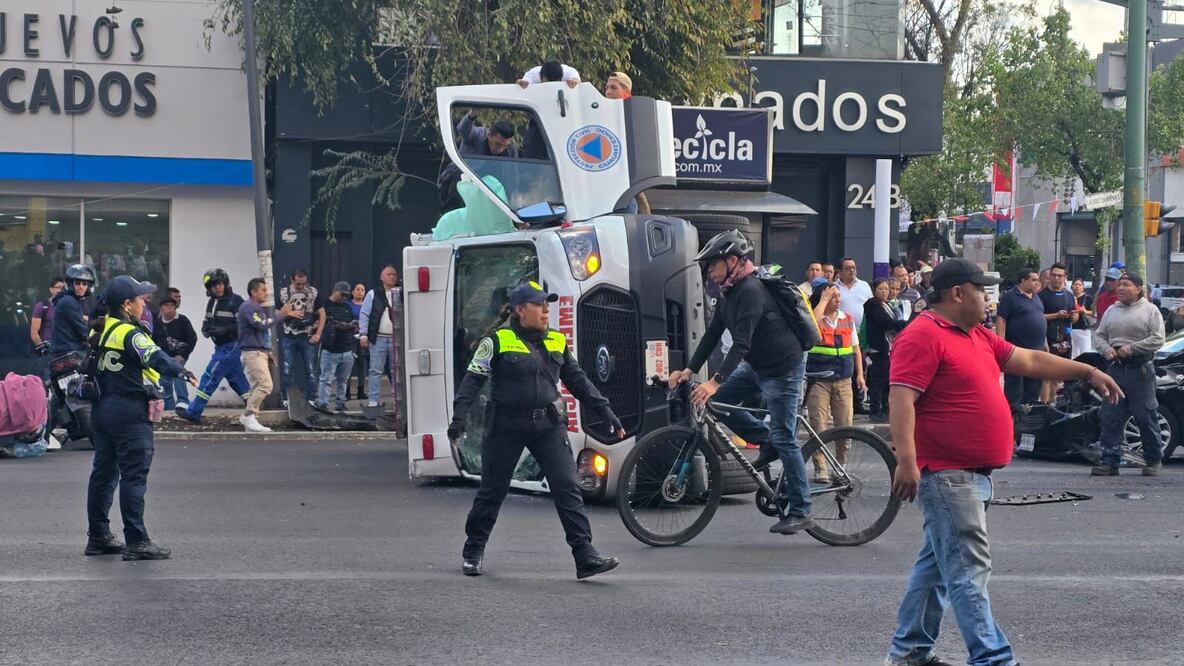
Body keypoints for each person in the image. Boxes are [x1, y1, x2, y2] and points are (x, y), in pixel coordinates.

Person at [884, 258, 1121, 666]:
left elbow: (1027, 360)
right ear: (957, 293)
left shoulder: (975, 334)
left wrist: (1085, 372)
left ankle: (910, 652)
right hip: (948, 475)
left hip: (970, 476)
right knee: (968, 570)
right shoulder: (923, 334)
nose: (988, 299)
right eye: (982, 290)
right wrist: (906, 461)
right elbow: (901, 400)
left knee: (937, 569)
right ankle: (994, 659)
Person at [448, 280, 624, 579]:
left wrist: (605, 410)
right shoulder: (496, 341)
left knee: (567, 487)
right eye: (539, 304)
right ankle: (473, 550)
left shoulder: (556, 340)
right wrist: (459, 418)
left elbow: (578, 380)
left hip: (547, 426)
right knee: (492, 491)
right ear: (519, 310)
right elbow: (472, 381)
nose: (546, 311)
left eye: (547, 304)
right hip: (506, 426)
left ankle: (585, 555)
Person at [667, 229, 813, 534]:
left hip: (784, 368)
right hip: (757, 366)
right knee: (717, 403)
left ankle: (801, 509)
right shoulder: (729, 291)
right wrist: (689, 371)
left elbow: (741, 344)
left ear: (733, 260)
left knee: (786, 437)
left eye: (713, 265)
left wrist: (715, 381)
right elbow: (712, 334)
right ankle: (766, 438)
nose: (709, 272)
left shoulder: (750, 291)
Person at [85, 275, 197, 561]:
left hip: (101, 411)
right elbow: (154, 356)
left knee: (104, 473)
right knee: (133, 477)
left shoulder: (100, 329)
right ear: (126, 304)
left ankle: (98, 536)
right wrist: (181, 371)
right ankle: (137, 541)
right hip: (128, 413)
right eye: (139, 299)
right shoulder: (130, 333)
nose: (143, 303)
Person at [1092, 272, 1166, 476]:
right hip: (1115, 369)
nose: (1120, 288)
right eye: (1119, 285)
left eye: (1126, 284)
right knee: (1110, 416)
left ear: (1138, 288)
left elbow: (1158, 339)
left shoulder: (1150, 311)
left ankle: (1153, 460)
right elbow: (1099, 335)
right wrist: (1106, 349)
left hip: (1140, 369)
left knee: (1145, 415)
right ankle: (1109, 461)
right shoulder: (1111, 311)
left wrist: (1132, 348)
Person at [805, 279, 864, 483]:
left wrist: (860, 375)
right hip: (818, 380)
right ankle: (820, 467)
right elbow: (810, 326)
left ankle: (840, 465)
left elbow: (856, 349)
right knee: (818, 425)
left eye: (838, 296)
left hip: (843, 380)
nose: (837, 300)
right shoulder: (816, 316)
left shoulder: (847, 319)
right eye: (833, 296)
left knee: (845, 425)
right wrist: (822, 301)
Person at [177, 269, 251, 423]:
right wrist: (206, 329)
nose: (218, 288)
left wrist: (226, 330)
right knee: (236, 378)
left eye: (220, 284)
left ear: (225, 283)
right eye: (214, 285)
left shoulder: (235, 301)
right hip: (220, 345)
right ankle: (253, 408)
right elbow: (207, 320)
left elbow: (244, 325)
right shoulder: (211, 302)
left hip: (231, 345)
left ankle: (193, 411)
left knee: (210, 376)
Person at [438, 110, 518, 213]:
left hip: (489, 187)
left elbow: (512, 179)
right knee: (459, 178)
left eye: (505, 146)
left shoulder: (511, 149)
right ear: (489, 135)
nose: (501, 149)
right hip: (461, 181)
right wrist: (472, 115)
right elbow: (463, 130)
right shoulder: (477, 136)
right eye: (498, 144)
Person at [239, 278, 287, 433]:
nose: (266, 293)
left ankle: (250, 423)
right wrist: (280, 315)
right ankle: (249, 414)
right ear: (253, 291)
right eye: (263, 290)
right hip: (252, 352)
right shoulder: (248, 307)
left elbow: (262, 332)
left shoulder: (255, 307)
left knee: (255, 386)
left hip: (259, 351)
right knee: (266, 385)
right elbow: (262, 324)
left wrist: (268, 350)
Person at [994, 269, 1048, 410]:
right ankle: (1013, 418)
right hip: (1017, 350)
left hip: (1036, 350)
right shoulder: (1010, 297)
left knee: (1034, 386)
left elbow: (1040, 318)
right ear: (1023, 281)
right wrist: (1001, 342)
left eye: (1037, 280)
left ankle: (1029, 417)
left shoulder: (1036, 297)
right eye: (1033, 280)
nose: (1037, 283)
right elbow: (1001, 319)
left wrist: (1045, 342)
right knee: (1015, 388)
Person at [359, 265, 404, 423]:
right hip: (377, 337)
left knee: (396, 371)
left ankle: (397, 401)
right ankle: (373, 401)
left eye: (394, 274)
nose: (392, 277)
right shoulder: (373, 294)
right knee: (375, 370)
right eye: (389, 274)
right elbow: (364, 314)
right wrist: (363, 334)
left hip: (396, 337)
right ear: (382, 276)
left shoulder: (400, 293)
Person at [277, 269, 324, 406]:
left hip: (307, 335)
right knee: (287, 369)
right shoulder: (284, 293)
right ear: (292, 280)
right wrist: (290, 313)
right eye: (298, 284)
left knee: (311, 370)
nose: (302, 287)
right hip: (289, 335)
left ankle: (311, 399)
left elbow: (322, 313)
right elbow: (276, 312)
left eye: (304, 283)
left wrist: (318, 334)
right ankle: (287, 400)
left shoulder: (312, 293)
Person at [863, 278, 908, 420]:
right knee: (878, 380)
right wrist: (903, 324)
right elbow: (885, 322)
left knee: (887, 379)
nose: (884, 292)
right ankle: (875, 410)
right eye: (881, 289)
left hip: (889, 347)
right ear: (874, 290)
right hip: (878, 347)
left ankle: (885, 408)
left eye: (886, 289)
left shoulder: (887, 304)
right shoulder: (872, 304)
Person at [1039, 263, 1078, 401]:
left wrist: (1074, 316)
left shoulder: (1069, 295)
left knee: (1059, 376)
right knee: (1046, 377)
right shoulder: (1041, 295)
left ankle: (1054, 405)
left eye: (1059, 275)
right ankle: (1044, 407)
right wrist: (1055, 315)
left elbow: (1075, 315)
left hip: (1065, 339)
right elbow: (1036, 316)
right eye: (1053, 275)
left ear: (1065, 277)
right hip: (1047, 339)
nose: (1056, 278)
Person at [317, 282, 359, 412]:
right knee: (326, 378)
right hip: (330, 348)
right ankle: (323, 402)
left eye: (346, 296)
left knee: (343, 380)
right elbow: (318, 323)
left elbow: (353, 325)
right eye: (342, 295)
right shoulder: (324, 305)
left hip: (346, 348)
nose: (344, 298)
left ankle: (341, 402)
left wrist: (351, 326)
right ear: (335, 291)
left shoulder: (347, 307)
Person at [153, 297, 198, 411]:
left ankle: (183, 403)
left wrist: (183, 355)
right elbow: (153, 341)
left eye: (172, 305)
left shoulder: (182, 320)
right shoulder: (157, 323)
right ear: (162, 308)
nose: (170, 308)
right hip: (163, 359)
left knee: (179, 377)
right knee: (164, 383)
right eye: (167, 305)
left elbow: (192, 338)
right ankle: (168, 408)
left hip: (178, 358)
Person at [51, 264, 96, 356]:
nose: (81, 287)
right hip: (70, 353)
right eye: (77, 283)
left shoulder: (70, 300)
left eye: (85, 284)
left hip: (68, 351)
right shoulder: (69, 302)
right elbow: (84, 331)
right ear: (70, 284)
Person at [30, 277, 64, 359]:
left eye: (64, 288)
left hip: (66, 351)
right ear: (51, 290)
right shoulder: (41, 306)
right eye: (58, 287)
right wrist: (43, 350)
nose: (61, 290)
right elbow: (34, 334)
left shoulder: (70, 307)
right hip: (48, 351)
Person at [836, 257, 873, 328]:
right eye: (847, 268)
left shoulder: (864, 285)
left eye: (854, 268)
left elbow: (871, 307)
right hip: (840, 330)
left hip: (861, 331)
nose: (852, 270)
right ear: (840, 271)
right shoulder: (834, 287)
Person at [349, 283, 368, 401]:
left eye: (362, 289)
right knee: (349, 364)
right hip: (350, 337)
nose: (360, 292)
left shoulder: (367, 305)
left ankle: (361, 389)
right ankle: (347, 391)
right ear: (353, 292)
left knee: (362, 364)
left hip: (362, 337)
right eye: (357, 289)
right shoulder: (348, 305)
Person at [517, 60, 581, 88]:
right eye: (546, 83)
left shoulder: (568, 72)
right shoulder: (533, 74)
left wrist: (574, 82)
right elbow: (525, 82)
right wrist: (522, 83)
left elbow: (576, 79)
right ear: (541, 76)